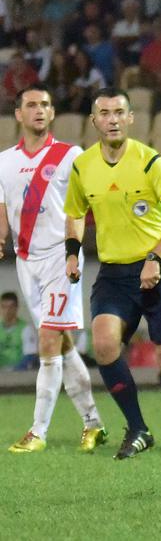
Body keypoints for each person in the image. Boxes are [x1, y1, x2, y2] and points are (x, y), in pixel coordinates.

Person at [64, 88, 161, 458]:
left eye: (119, 112)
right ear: (94, 121)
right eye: (104, 113)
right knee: (104, 344)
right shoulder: (83, 166)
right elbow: (76, 213)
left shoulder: (149, 161)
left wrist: (155, 257)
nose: (112, 119)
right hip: (114, 274)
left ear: (130, 118)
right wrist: (72, 252)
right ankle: (139, 429)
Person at [0, 84, 105, 454]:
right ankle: (93, 423)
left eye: (45, 104)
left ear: (53, 112)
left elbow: (84, 206)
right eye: (31, 105)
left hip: (62, 258)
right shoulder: (4, 161)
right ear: (18, 114)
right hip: (26, 261)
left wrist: (76, 250)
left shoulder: (70, 155)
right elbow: (2, 206)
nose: (39, 110)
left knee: (48, 339)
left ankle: (38, 431)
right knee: (60, 343)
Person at [0, 291, 31, 369]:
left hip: (19, 372)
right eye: (4, 307)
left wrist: (15, 370)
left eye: (10, 307)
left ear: (16, 307)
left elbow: (30, 355)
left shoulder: (26, 328)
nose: (7, 311)